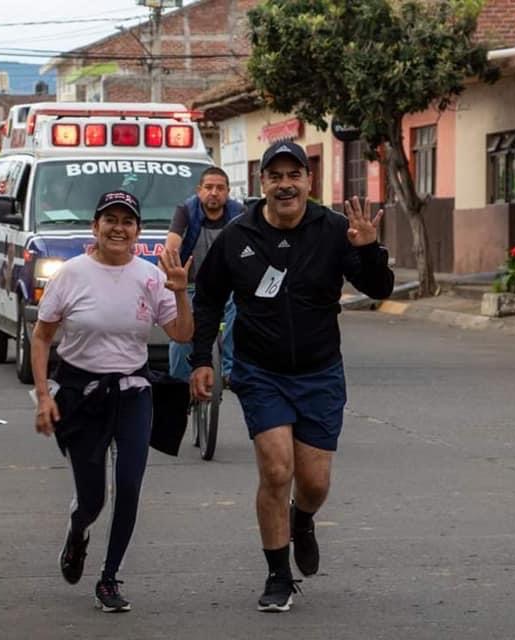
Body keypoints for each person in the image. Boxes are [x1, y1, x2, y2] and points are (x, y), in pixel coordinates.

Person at [189, 141, 395, 611]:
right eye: (275, 175)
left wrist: (369, 251)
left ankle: (302, 519)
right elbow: (207, 299)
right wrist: (202, 358)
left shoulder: (334, 230)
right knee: (277, 468)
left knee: (315, 482)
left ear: (308, 181)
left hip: (321, 372)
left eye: (294, 175)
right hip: (261, 371)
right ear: (262, 183)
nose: (285, 184)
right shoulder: (237, 237)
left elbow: (378, 289)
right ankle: (279, 575)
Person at [30, 190, 193, 612]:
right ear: (95, 227)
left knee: (130, 485)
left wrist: (179, 291)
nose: (118, 228)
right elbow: (42, 337)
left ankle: (108, 579)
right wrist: (44, 396)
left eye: (127, 221)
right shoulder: (71, 274)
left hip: (133, 392)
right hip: (81, 395)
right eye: (110, 220)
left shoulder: (150, 276)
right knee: (92, 500)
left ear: (137, 231)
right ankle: (78, 529)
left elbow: (181, 334)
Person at [165, 166, 244, 384]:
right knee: (182, 335)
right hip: (191, 286)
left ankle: (230, 370)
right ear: (199, 190)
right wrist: (170, 264)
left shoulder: (239, 213)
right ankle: (178, 387)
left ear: (228, 192)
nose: (214, 192)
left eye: (220, 188)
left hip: (228, 287)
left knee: (240, 311)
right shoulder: (186, 211)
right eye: (208, 187)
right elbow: (172, 244)